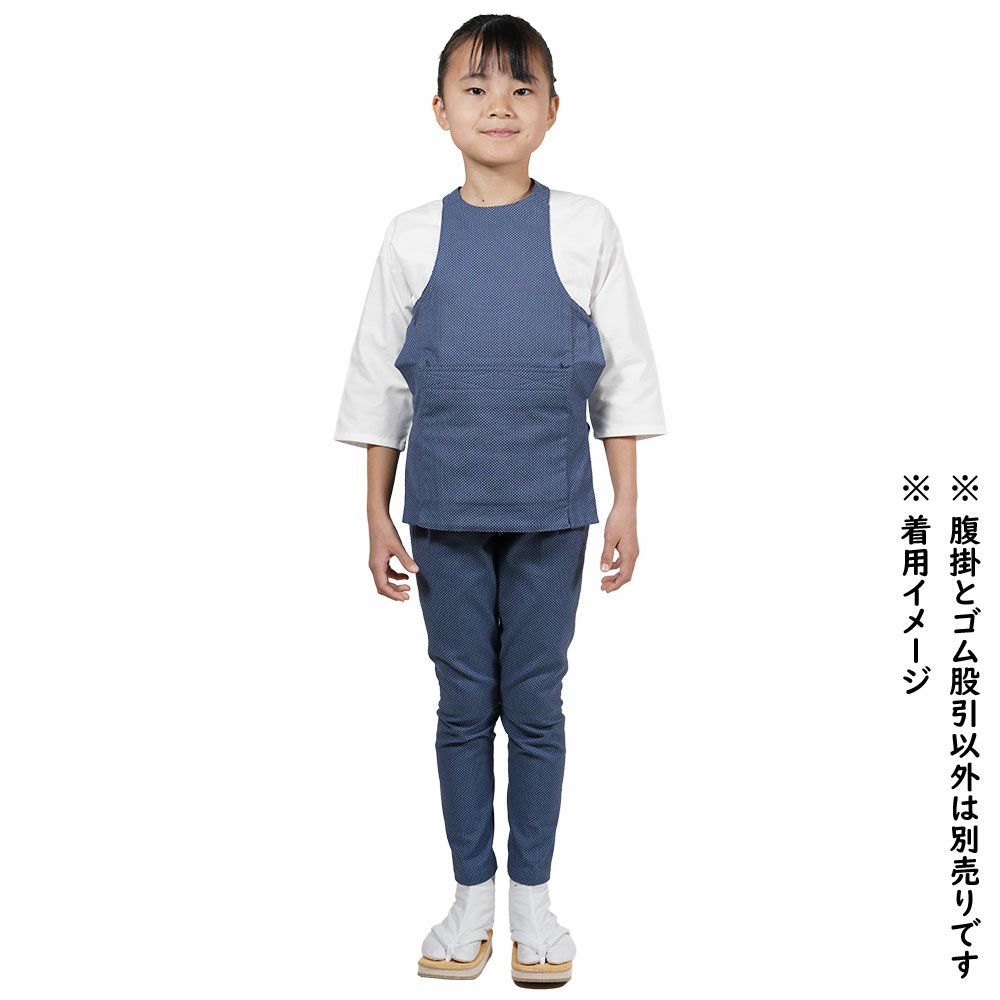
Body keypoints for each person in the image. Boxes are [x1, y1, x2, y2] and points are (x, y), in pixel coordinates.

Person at [334, 14, 666, 987]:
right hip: (442, 510)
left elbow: (623, 373)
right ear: (439, 111)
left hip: (553, 510)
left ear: (553, 110)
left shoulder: (586, 225)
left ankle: (534, 906)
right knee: (460, 705)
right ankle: (468, 900)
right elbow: (380, 385)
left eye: (522, 88)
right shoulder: (409, 235)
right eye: (475, 88)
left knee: (536, 706)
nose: (499, 106)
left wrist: (626, 502)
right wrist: (374, 513)